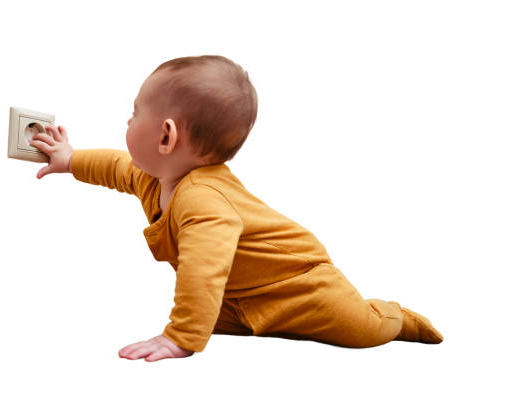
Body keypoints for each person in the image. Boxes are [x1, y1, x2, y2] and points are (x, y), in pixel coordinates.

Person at [29, 55, 444, 363]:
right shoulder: (155, 176)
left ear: (166, 137)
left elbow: (203, 271)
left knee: (361, 330)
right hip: (238, 295)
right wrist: (70, 159)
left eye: (135, 113)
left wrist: (181, 337)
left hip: (301, 284)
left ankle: (396, 317)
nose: (128, 120)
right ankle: (241, 320)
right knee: (219, 314)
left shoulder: (203, 201)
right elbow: (118, 167)